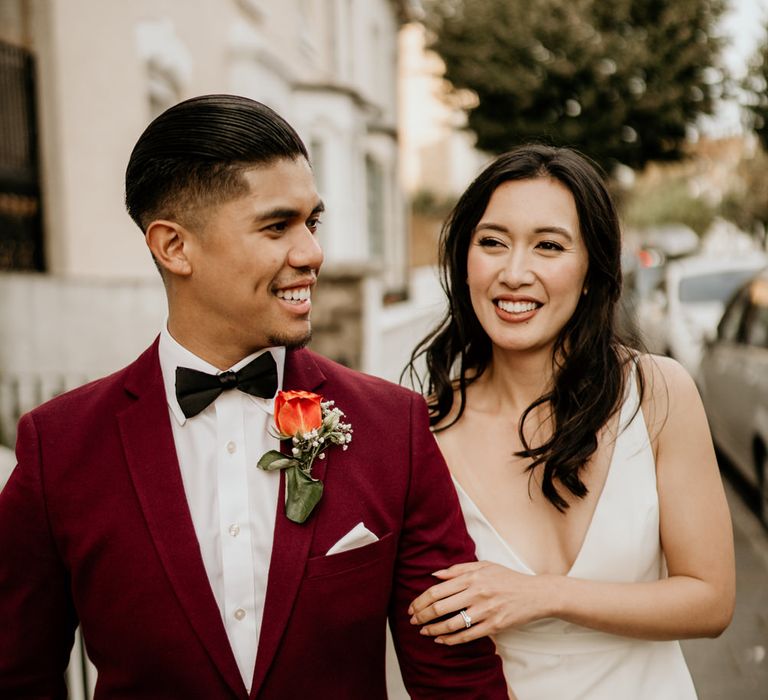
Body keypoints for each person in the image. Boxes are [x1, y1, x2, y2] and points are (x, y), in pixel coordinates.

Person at [0, 94, 509, 699]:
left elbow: (456, 675)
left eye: (311, 223)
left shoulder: (391, 426)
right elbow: (16, 674)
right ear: (174, 247)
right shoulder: (59, 447)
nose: (312, 254)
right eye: (277, 226)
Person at [406, 145, 735, 699]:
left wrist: (543, 594)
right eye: (492, 242)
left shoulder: (656, 393)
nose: (514, 273)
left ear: (590, 271)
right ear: (464, 262)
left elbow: (711, 599)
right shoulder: (426, 428)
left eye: (549, 246)